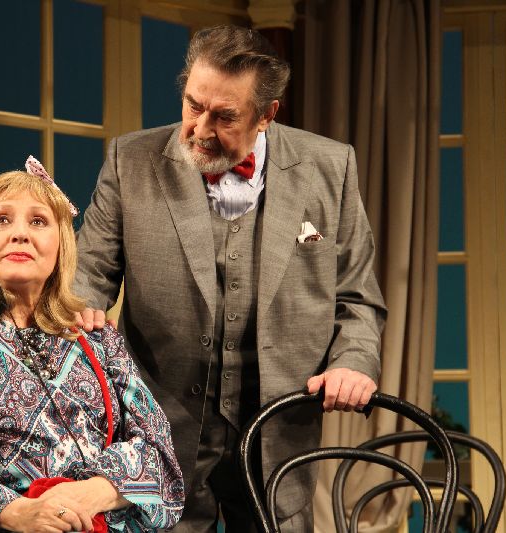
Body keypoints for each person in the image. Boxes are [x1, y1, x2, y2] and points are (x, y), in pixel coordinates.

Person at [73, 26, 386, 532]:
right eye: (193, 105)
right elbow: (89, 272)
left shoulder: (331, 166)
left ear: (266, 115)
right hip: (160, 431)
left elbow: (357, 297)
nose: (200, 128)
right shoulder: (130, 160)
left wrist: (352, 362)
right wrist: (78, 307)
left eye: (224, 116)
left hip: (280, 430)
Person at [0, 158, 184, 532]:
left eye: (38, 221)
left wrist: (90, 494)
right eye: (2, 219)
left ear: (61, 244)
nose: (20, 233)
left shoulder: (100, 340)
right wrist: (20, 513)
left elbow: (161, 458)